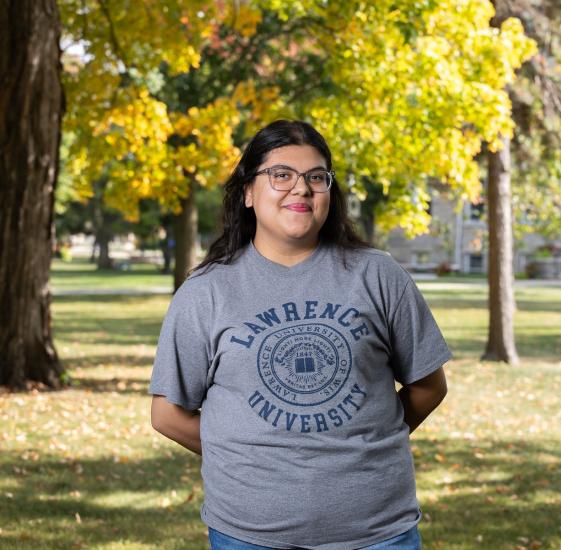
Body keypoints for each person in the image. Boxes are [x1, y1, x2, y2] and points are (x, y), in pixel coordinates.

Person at [149, 120, 452, 550]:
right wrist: (249, 459)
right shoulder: (205, 293)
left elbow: (428, 386)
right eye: (281, 175)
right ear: (249, 193)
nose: (301, 189)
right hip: (249, 535)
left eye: (316, 177)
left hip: (378, 532)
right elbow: (167, 414)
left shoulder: (379, 276)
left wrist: (366, 446)